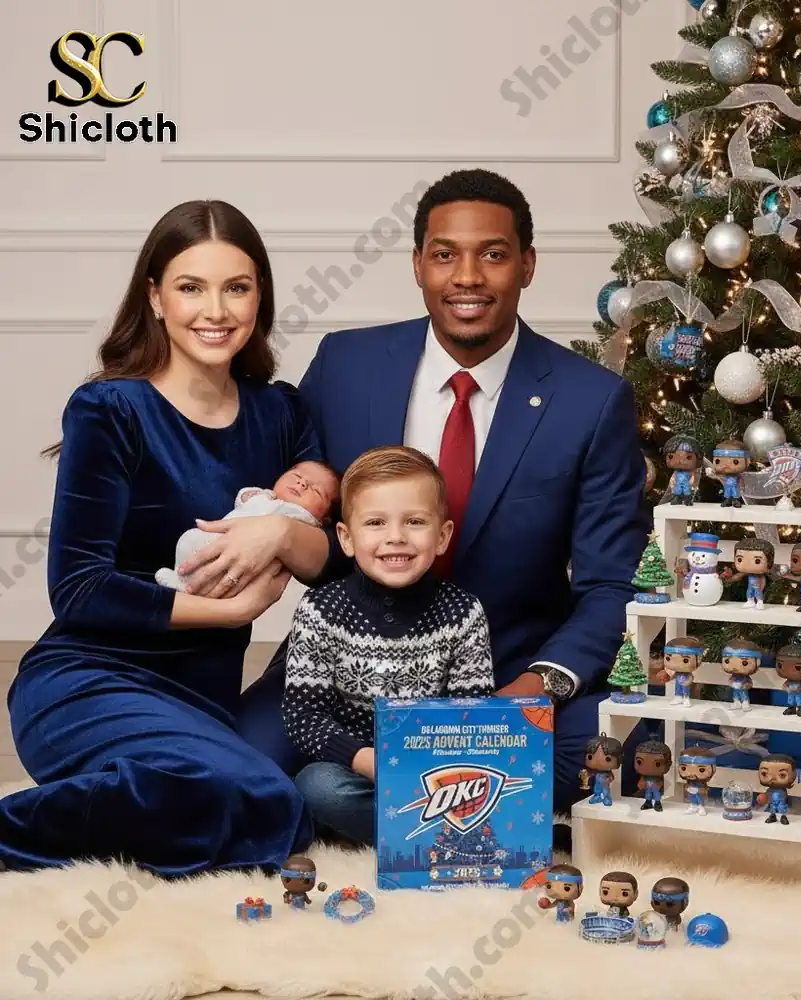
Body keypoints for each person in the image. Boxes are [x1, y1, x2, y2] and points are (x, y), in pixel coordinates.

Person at [231, 168, 651, 815]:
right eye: (445, 255)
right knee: (241, 771)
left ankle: (381, 804)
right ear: (419, 265)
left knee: (615, 749)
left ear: (527, 265)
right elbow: (308, 509)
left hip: (500, 672)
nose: (468, 277)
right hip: (344, 671)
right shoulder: (345, 366)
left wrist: (533, 688)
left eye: (493, 254)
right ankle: (462, 804)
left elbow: (609, 585)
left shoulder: (590, 401)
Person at [0, 200, 337, 876]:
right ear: (155, 298)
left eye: (236, 287)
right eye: (191, 287)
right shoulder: (111, 409)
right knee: (267, 802)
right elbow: (79, 591)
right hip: (86, 680)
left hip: (200, 701)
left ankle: (101, 811)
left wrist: (276, 530)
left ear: (259, 296)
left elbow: (327, 566)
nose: (215, 310)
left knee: (253, 805)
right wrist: (234, 611)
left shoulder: (280, 412)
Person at [283, 445, 495, 845]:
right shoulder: (320, 609)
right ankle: (437, 834)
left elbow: (473, 715)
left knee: (498, 778)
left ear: (442, 536)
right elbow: (303, 716)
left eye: (414, 521)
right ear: (346, 538)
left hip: (439, 774)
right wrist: (373, 763)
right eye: (376, 523)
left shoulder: (463, 612)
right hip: (357, 769)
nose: (395, 538)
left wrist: (437, 775)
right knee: (317, 786)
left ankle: (410, 828)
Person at [155, 459, 339, 590]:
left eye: (316, 490)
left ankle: (191, 589)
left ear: (323, 521)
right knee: (188, 539)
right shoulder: (264, 496)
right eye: (296, 475)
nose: (302, 483)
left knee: (225, 574)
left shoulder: (301, 519)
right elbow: (242, 498)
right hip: (215, 537)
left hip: (244, 560)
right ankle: (181, 578)